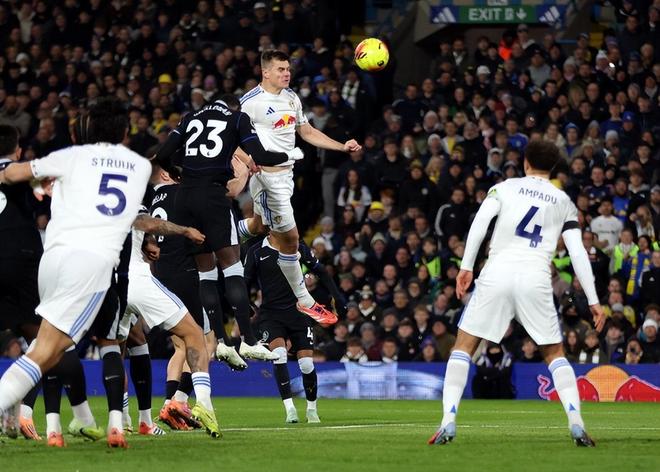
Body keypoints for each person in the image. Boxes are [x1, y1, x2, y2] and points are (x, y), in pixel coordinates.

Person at [428, 140, 605, 448]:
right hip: (535, 277)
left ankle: (448, 420)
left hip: (497, 271)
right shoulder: (563, 201)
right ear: (553, 168)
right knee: (554, 354)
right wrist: (593, 300)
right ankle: (576, 422)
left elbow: (480, 223)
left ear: (525, 162)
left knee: (464, 347)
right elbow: (577, 252)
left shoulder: (505, 188)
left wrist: (466, 266)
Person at [0, 98, 152, 444]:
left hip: (52, 260)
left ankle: (68, 417)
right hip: (91, 264)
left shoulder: (69, 156)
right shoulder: (140, 166)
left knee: (49, 349)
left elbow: (14, 173)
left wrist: (34, 181)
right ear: (125, 132)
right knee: (46, 350)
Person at [154, 93, 298, 361]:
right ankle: (249, 341)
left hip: (184, 198)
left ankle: (220, 341)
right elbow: (261, 155)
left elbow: (162, 154)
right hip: (213, 197)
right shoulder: (237, 118)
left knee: (205, 273)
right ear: (234, 107)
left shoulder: (189, 118)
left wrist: (176, 174)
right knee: (232, 267)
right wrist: (289, 155)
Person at [236, 50, 361, 325]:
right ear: (266, 72)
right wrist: (248, 161)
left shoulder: (291, 97)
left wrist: (342, 146)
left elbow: (306, 132)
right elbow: (232, 139)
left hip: (287, 176)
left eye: (288, 69)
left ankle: (223, 233)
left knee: (258, 226)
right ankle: (305, 301)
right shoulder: (250, 102)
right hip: (267, 179)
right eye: (280, 69)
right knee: (291, 240)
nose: (287, 73)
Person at [244, 234, 344, 423]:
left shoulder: (296, 245)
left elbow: (320, 270)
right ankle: (290, 409)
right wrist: (247, 305)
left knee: (306, 364)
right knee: (279, 355)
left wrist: (337, 297)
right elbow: (244, 281)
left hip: (299, 312)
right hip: (271, 315)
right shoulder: (256, 251)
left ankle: (312, 409)